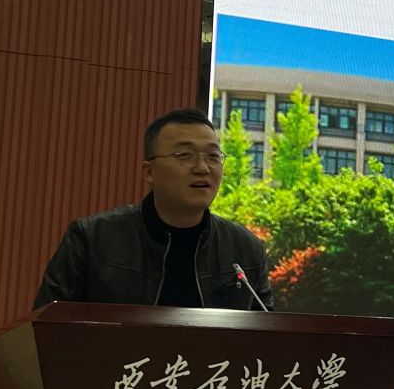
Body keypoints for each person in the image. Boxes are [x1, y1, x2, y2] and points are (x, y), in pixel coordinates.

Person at [35, 109, 273, 309]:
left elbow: (267, 338)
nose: (202, 168)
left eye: (213, 156)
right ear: (149, 172)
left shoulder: (245, 249)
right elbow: (43, 331)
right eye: (184, 155)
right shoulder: (92, 239)